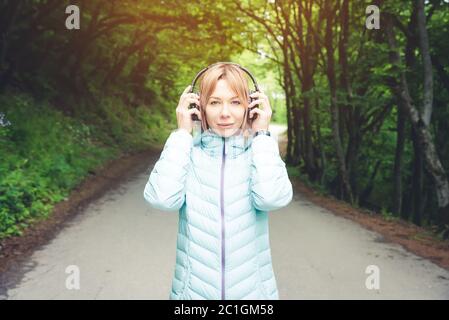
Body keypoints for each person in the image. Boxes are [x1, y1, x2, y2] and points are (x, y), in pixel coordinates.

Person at [143, 62, 293, 300]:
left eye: (235, 102)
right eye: (214, 102)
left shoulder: (259, 154)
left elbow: (271, 198)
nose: (225, 113)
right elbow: (162, 199)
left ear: (250, 106)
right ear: (197, 107)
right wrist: (182, 133)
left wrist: (262, 135)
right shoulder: (186, 154)